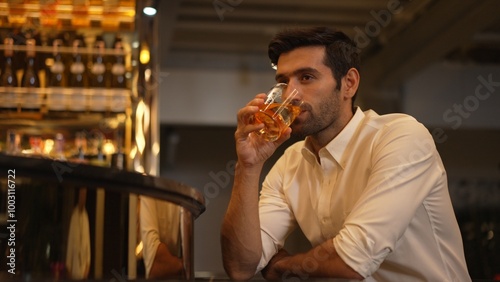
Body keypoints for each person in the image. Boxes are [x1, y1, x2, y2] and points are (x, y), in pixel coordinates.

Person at [220, 26, 471, 281]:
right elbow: (240, 266)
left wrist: (283, 266)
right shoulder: (290, 164)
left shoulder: (402, 137)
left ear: (348, 84)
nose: (290, 94)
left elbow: (351, 261)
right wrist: (247, 166)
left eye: (306, 77)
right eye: (283, 82)